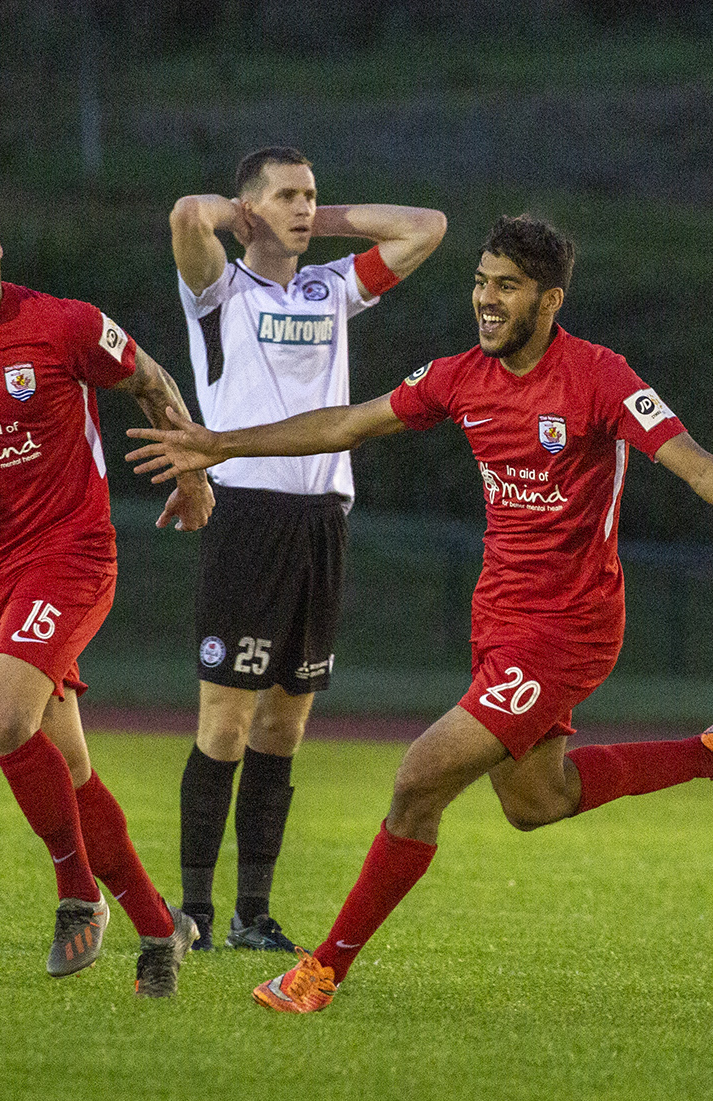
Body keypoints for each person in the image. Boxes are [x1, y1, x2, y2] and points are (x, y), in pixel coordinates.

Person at [128, 214, 713, 1013]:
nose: (484, 299)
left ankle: (321, 971)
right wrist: (225, 443)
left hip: (570, 627)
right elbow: (348, 422)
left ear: (550, 300)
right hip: (500, 619)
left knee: (417, 782)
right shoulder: (460, 376)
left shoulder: (600, 376)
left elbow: (695, 467)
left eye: (505, 287)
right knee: (537, 802)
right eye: (479, 282)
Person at [0, 180, 212, 997]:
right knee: (71, 768)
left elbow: (150, 376)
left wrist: (192, 466)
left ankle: (76, 893)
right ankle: (163, 927)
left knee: (3, 715)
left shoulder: (64, 325)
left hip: (70, 553)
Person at [167, 147, 446, 954]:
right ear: (250, 206)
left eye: (311, 193)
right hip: (248, 514)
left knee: (284, 727)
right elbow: (188, 214)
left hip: (324, 518)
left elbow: (427, 229)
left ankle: (255, 911)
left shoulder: (331, 288)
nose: (303, 206)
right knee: (224, 720)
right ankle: (194, 907)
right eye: (287, 194)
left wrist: (316, 222)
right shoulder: (220, 290)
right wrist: (243, 214)